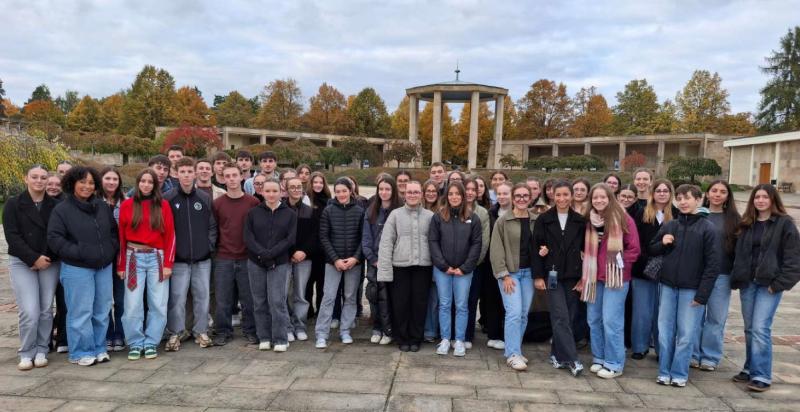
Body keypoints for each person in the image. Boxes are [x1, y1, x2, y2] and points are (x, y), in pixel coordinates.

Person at [730, 184, 800, 392]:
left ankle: (761, 375)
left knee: (761, 328)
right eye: (757, 197)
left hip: (768, 285)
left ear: (773, 200)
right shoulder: (747, 223)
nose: (760, 200)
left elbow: (794, 259)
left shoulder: (784, 224)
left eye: (765, 197)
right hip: (748, 283)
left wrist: (779, 284)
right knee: (750, 328)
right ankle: (750, 367)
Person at [649, 184, 719, 388]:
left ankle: (679, 372)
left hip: (692, 290)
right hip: (668, 287)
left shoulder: (708, 228)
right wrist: (663, 242)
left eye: (687, 198)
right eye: (679, 198)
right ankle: (664, 371)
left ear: (698, 200)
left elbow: (712, 265)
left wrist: (702, 295)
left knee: (687, 334)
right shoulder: (671, 225)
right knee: (665, 331)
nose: (683, 201)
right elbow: (652, 249)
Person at [47, 166, 118, 366]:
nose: (87, 186)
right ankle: (80, 351)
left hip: (103, 267)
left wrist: (110, 250)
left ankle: (99, 347)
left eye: (91, 183)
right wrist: (80, 253)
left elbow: (113, 233)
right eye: (82, 182)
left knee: (101, 310)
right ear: (72, 183)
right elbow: (55, 238)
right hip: (77, 268)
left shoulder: (102, 206)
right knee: (80, 312)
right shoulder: (62, 209)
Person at [581, 183, 640, 379]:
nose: (598, 200)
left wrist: (619, 263)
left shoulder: (623, 218)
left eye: (602, 197)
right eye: (595, 197)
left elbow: (634, 249)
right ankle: (599, 357)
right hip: (593, 277)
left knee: (611, 321)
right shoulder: (589, 220)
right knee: (594, 319)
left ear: (610, 198)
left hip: (616, 278)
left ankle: (615, 363)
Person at [4, 165, 59, 370]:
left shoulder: (55, 205)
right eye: (34, 177)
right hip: (22, 261)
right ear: (25, 179)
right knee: (29, 310)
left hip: (49, 260)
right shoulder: (13, 204)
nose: (39, 181)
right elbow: (12, 236)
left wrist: (45, 257)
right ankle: (27, 350)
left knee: (45, 308)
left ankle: (42, 348)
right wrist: (32, 258)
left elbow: (56, 233)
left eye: (43, 177)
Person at [118, 169, 175, 361]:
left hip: (156, 258)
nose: (146, 185)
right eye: (143, 181)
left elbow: (170, 236)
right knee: (132, 303)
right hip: (133, 257)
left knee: (158, 303)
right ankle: (135, 342)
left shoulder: (163, 206)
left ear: (155, 185)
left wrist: (168, 263)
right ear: (138, 183)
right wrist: (120, 265)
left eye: (150, 182)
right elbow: (121, 238)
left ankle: (151, 341)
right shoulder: (127, 205)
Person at [533, 180, 586, 377]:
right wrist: (538, 275)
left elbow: (586, 251)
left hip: (573, 276)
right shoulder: (544, 219)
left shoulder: (580, 221)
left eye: (565, 194)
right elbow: (536, 248)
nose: (562, 198)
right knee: (560, 315)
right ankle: (572, 359)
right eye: (558, 195)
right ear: (552, 196)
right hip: (552, 274)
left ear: (571, 196)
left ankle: (557, 354)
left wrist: (584, 277)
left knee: (569, 317)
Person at [164, 158, 216, 351]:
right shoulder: (168, 199)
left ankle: (201, 331)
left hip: (202, 259)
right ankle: (176, 333)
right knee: (177, 298)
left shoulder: (204, 198)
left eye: (189, 171)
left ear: (195, 174)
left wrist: (208, 246)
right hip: (178, 260)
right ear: (176, 174)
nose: (186, 175)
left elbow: (212, 226)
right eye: (182, 171)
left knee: (202, 296)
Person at [377, 181, 434, 352]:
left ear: (421, 194)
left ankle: (416, 338)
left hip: (423, 267)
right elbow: (386, 243)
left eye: (416, 192)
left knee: (419, 303)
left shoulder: (430, 216)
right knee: (400, 304)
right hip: (400, 267)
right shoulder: (395, 215)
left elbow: (435, 243)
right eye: (409, 192)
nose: (412, 195)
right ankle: (402, 337)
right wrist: (385, 271)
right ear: (404, 194)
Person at [429, 182, 482, 357]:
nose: (454, 197)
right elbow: (433, 242)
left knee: (461, 305)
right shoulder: (438, 217)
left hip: (463, 271)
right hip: (443, 270)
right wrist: (443, 266)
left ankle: (459, 340)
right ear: (446, 196)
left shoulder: (473, 218)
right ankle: (445, 338)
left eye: (457, 194)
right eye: (451, 194)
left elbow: (476, 245)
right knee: (444, 304)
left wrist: (465, 267)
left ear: (463, 196)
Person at [692, 180, 740, 372]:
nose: (718, 194)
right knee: (693, 317)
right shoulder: (696, 214)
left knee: (716, 318)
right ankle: (693, 353)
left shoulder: (735, 219)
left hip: (722, 274)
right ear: (707, 193)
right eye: (714, 190)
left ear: (728, 196)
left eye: (722, 192)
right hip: (695, 274)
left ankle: (710, 356)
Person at [244, 178, 297, 352]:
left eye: (275, 191)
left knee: (277, 301)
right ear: (262, 192)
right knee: (259, 301)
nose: (271, 194)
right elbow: (248, 237)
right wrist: (262, 254)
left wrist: (271, 254)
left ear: (281, 192)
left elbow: (290, 239)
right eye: (268, 191)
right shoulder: (253, 213)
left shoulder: (289, 214)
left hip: (279, 262)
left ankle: (280, 338)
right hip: (255, 262)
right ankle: (264, 337)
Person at [491, 183, 538, 371]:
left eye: (525, 195)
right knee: (513, 312)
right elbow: (496, 249)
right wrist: (503, 275)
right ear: (512, 197)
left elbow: (541, 244)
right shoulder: (503, 221)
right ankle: (512, 354)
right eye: (518, 195)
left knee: (524, 313)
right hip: (510, 274)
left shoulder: (536, 220)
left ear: (530, 198)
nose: (521, 199)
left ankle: (516, 350)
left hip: (529, 274)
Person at [212, 162, 260, 346]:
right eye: (228, 176)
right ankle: (223, 331)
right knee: (223, 299)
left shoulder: (252, 202)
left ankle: (251, 330)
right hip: (224, 257)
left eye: (235, 175)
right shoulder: (217, 204)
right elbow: (214, 229)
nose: (231, 179)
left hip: (247, 258)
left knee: (248, 299)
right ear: (223, 179)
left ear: (242, 177)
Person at [315, 178, 365, 348]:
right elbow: (324, 236)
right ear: (335, 192)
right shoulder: (328, 211)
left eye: (344, 191)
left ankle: (345, 330)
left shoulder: (359, 211)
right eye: (338, 191)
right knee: (328, 297)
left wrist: (355, 258)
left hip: (353, 263)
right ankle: (322, 333)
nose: (341, 194)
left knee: (350, 297)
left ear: (351, 191)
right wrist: (335, 259)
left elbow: (362, 238)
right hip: (332, 262)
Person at [631, 179, 677, 360]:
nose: (662, 194)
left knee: (662, 313)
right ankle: (640, 347)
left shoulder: (678, 214)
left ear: (670, 193)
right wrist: (647, 259)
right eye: (658, 190)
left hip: (667, 271)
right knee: (642, 311)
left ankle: (661, 349)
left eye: (666, 191)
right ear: (653, 193)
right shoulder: (642, 213)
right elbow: (636, 240)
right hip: (643, 269)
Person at [362, 175, 400, 345]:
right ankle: (377, 328)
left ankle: (389, 329)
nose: (384, 192)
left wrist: (389, 259)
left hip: (393, 262)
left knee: (391, 297)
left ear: (393, 191)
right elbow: (366, 238)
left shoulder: (399, 211)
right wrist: (372, 258)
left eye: (387, 189)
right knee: (374, 296)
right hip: (375, 262)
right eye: (381, 189)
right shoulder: (371, 211)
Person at [285, 176, 317, 342]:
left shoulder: (309, 211)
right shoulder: (281, 209)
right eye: (292, 187)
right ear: (286, 189)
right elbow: (279, 235)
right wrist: (291, 252)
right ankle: (287, 327)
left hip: (304, 259)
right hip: (284, 258)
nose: (296, 189)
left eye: (298, 187)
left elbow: (314, 236)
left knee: (300, 294)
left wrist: (303, 251)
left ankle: (300, 326)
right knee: (285, 294)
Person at [99, 167, 126, 352]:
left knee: (121, 299)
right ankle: (107, 334)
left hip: (122, 256)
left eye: (115, 179)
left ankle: (120, 334)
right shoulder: (94, 201)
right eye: (107, 178)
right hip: (101, 256)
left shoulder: (126, 202)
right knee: (104, 299)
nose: (111, 182)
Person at [484, 182, 513, 350]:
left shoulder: (517, 213)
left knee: (508, 302)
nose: (502, 197)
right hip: (492, 263)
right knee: (493, 299)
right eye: (499, 194)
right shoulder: (491, 213)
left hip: (512, 264)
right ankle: (494, 334)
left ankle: (506, 334)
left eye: (505, 193)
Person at [463, 178, 490, 349]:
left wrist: (472, 263)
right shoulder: (454, 210)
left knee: (471, 300)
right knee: (457, 301)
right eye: (467, 189)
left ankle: (467, 334)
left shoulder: (482, 213)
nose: (470, 192)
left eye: (473, 189)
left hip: (475, 265)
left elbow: (484, 241)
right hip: (456, 266)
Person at [305, 172, 331, 318]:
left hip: (323, 250)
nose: (318, 185)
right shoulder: (306, 200)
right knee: (308, 284)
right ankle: (308, 311)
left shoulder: (328, 201)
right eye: (315, 182)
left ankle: (321, 311)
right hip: (310, 249)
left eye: (320, 182)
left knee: (322, 284)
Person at [422, 179, 441, 342]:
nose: (430, 194)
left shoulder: (442, 211)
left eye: (433, 191)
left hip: (436, 260)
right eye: (427, 191)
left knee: (434, 298)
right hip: (420, 260)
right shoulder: (417, 208)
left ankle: (430, 330)